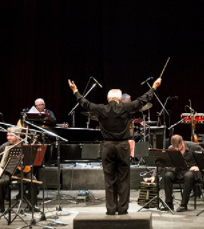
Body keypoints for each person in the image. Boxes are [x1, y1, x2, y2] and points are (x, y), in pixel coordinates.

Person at [68, 77, 161, 215]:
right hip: (123, 146)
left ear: (108, 99)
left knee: (109, 179)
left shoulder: (101, 109)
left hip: (108, 146)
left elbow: (85, 103)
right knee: (123, 178)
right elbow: (142, 100)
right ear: (119, 99)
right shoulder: (126, 107)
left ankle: (111, 209)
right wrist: (154, 87)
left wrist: (75, 90)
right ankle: (122, 209)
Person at [162, 134, 204, 212]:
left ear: (182, 143)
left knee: (188, 176)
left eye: (178, 147)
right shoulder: (171, 148)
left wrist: (199, 167)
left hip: (192, 171)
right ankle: (169, 204)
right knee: (167, 175)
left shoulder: (194, 147)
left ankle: (183, 205)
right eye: (175, 148)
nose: (177, 150)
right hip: (179, 171)